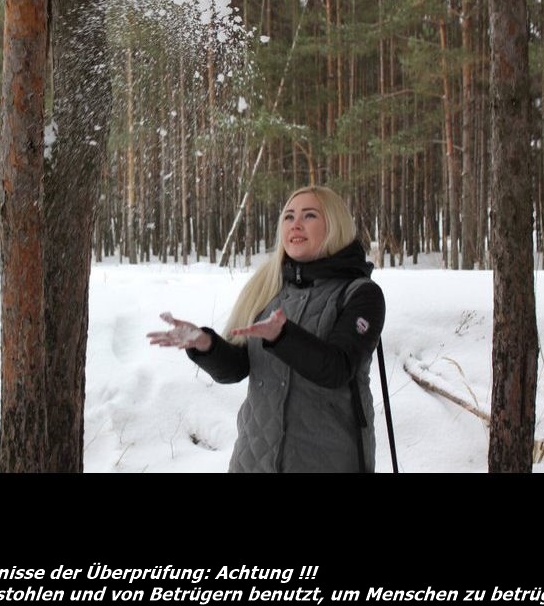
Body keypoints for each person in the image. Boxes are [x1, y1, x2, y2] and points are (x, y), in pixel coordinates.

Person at [147, 185, 386, 473]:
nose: (295, 224)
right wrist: (205, 345)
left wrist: (282, 337)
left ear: (335, 225)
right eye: (289, 216)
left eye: (309, 215)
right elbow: (237, 368)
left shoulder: (361, 295)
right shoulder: (267, 286)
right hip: (252, 461)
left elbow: (337, 369)